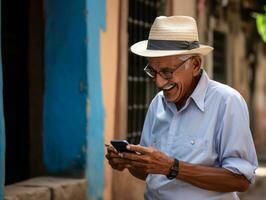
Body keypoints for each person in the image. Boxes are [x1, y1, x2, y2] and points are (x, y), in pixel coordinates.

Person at [105, 16, 258, 200]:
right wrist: (129, 162)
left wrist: (172, 167)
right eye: (152, 71)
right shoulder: (158, 103)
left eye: (167, 72)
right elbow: (150, 173)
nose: (159, 82)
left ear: (195, 65)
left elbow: (241, 180)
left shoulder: (227, 102)